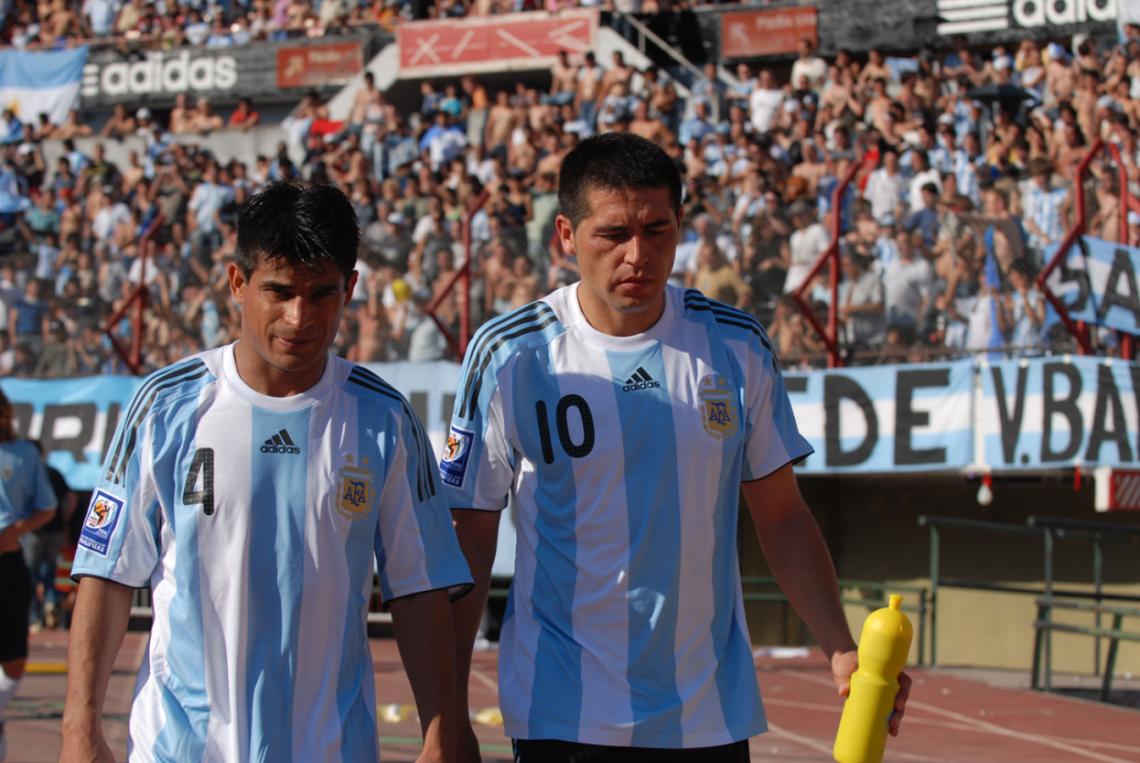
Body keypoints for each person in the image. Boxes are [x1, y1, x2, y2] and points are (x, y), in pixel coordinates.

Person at [443, 133, 910, 763]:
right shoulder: (509, 354)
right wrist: (444, 714)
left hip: (707, 717)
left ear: (680, 226)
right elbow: (468, 536)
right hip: (562, 713)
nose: (638, 254)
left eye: (657, 230)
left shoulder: (736, 345)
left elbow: (782, 517)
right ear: (566, 235)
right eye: (613, 234)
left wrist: (840, 646)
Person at [60, 183, 472, 762]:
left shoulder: (384, 418)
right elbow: (107, 573)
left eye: (321, 294)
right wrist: (79, 731)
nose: (299, 317)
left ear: (350, 289)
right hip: (182, 750)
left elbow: (420, 589)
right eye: (278, 291)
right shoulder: (166, 406)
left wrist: (441, 733)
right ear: (237, 283)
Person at [0, 389, 58, 761]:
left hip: (8, 562)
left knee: (14, 659)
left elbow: (48, 507)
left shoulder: (23, 454)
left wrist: (16, 530)